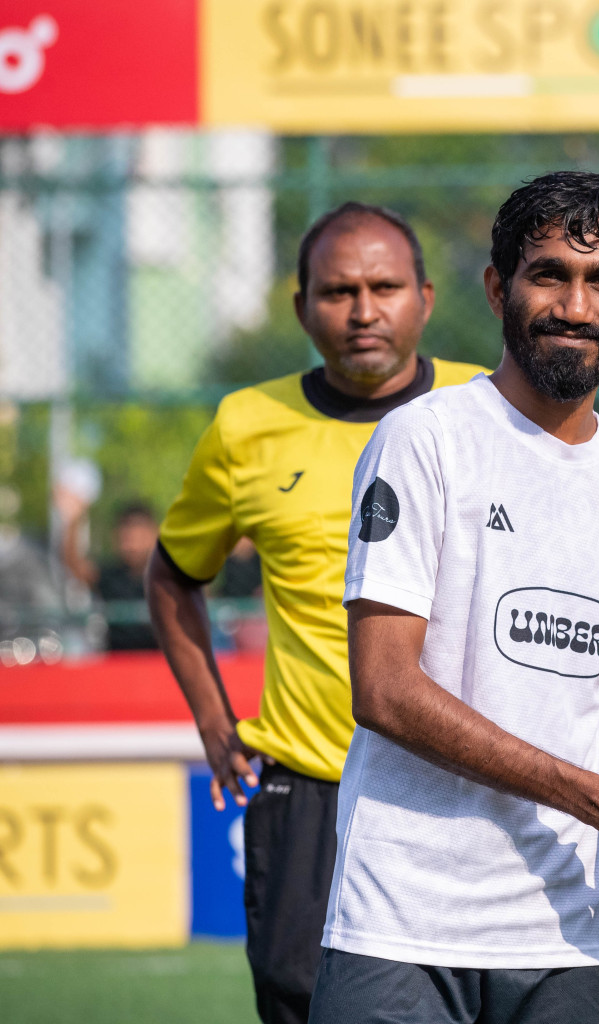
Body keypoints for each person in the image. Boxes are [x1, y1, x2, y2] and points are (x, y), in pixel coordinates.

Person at [307, 172, 599, 1024]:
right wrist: (598, 800)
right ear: (498, 289)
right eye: (549, 274)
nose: (575, 304)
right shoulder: (424, 437)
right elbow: (383, 688)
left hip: (566, 936)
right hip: (403, 928)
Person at [146, 202, 484, 1024]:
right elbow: (172, 575)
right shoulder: (245, 426)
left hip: (467, 785)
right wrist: (212, 719)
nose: (363, 311)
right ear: (301, 307)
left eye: (384, 287)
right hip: (310, 798)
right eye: (337, 291)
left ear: (425, 299)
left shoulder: (488, 408)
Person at [57, 495, 160, 650]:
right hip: (116, 663)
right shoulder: (111, 576)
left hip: (157, 663)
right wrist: (74, 519)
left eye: (139, 537)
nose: (132, 546)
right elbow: (74, 564)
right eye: (126, 538)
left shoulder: (167, 578)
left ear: (153, 535)